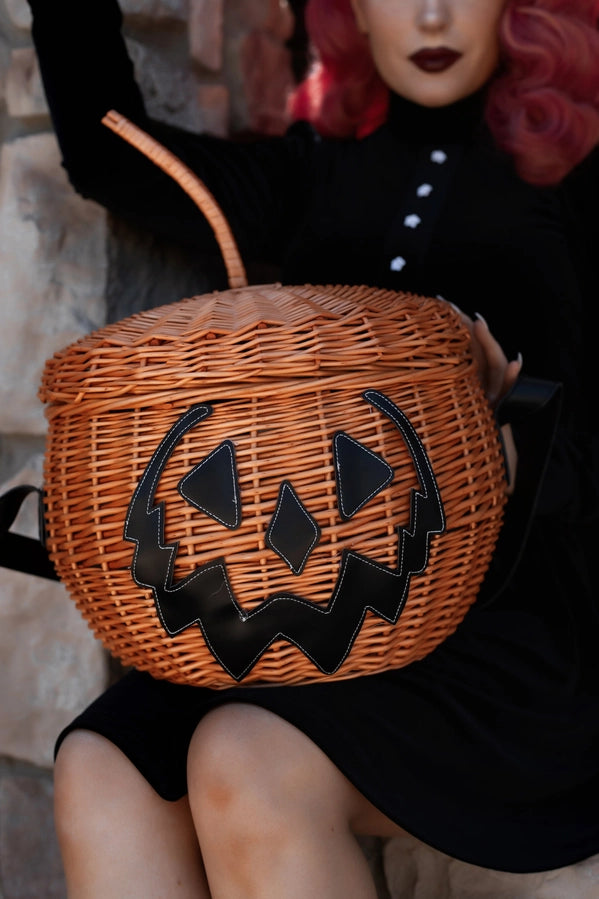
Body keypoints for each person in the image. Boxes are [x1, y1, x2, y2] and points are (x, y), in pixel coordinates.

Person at [25, 0, 599, 895]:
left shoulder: (575, 181)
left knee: (243, 751)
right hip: (302, 608)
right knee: (101, 762)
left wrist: (507, 444)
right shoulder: (309, 179)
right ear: (354, 12)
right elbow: (111, 154)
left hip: (513, 632)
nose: (434, 14)